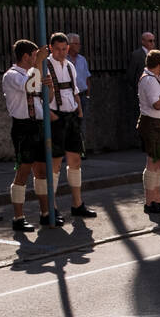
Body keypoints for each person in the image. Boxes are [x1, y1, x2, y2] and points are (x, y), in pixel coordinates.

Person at [45, 31, 96, 219]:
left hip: (72, 115)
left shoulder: (70, 66)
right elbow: (38, 96)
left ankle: (77, 203)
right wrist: (50, 115)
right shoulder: (45, 66)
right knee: (55, 163)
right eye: (58, 49)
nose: (62, 52)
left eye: (64, 49)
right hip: (55, 117)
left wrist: (79, 111)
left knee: (75, 160)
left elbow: (75, 90)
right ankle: (53, 206)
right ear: (51, 48)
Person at [2, 38, 50, 231]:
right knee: (23, 170)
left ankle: (46, 213)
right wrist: (39, 63)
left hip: (37, 124)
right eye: (33, 56)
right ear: (25, 56)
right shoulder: (11, 75)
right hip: (23, 126)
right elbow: (29, 87)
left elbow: (41, 95)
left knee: (41, 171)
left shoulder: (33, 72)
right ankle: (18, 217)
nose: (36, 59)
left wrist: (48, 86)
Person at [137, 48, 160, 215]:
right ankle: (150, 201)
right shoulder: (149, 80)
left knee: (158, 161)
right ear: (159, 64)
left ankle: (157, 198)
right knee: (153, 162)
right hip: (152, 123)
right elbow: (156, 104)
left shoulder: (158, 78)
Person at [67, 33, 91, 132]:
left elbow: (87, 78)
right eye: (76, 44)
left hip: (82, 96)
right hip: (68, 96)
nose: (79, 46)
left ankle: (82, 145)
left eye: (79, 44)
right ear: (69, 45)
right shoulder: (64, 60)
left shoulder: (82, 59)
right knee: (69, 124)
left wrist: (88, 95)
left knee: (82, 123)